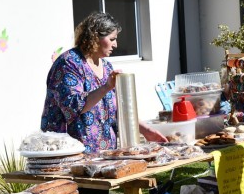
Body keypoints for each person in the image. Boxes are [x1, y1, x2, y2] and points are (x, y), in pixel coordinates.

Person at [41, 11, 166, 153]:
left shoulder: (106, 67)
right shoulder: (69, 63)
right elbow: (73, 107)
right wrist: (106, 87)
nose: (116, 45)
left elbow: (117, 108)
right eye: (112, 39)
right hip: (71, 155)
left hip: (105, 155)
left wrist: (146, 130)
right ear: (94, 37)